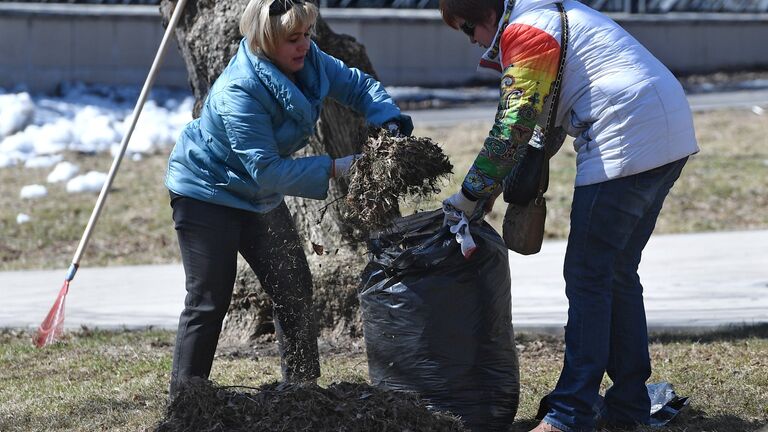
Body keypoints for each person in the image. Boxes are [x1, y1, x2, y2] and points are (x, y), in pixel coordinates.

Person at [438, 0, 699, 431]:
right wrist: (491, 190)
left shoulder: (526, 29)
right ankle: (629, 406)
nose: (475, 44)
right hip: (667, 130)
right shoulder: (553, 12)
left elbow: (514, 124)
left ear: (480, 16)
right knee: (615, 273)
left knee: (588, 276)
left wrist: (468, 196)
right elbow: (539, 126)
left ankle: (569, 413)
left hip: (625, 135)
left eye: (468, 32)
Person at [164, 0, 412, 397]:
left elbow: (358, 85)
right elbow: (269, 169)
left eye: (307, 34)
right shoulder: (240, 89)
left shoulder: (310, 61)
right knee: (209, 300)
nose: (304, 45)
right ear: (266, 40)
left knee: (294, 286)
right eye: (292, 38)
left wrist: (390, 122)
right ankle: (186, 400)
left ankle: (301, 391)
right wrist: (338, 167)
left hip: (257, 195)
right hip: (207, 192)